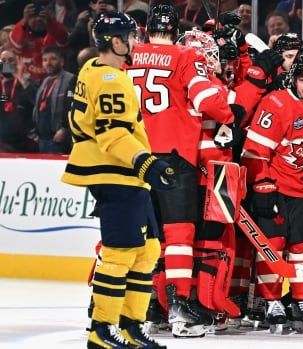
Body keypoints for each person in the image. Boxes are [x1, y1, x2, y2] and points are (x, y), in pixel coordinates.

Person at [127, 4, 242, 338]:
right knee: (178, 236)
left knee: (148, 237)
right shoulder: (183, 57)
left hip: (135, 156)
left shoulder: (131, 57)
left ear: (147, 29)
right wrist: (230, 112)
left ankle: (148, 306)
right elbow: (208, 101)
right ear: (176, 31)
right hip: (174, 157)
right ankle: (179, 309)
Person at [61, 11, 173, 349]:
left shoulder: (91, 69)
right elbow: (112, 135)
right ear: (116, 41)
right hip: (116, 172)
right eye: (131, 36)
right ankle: (102, 328)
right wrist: (146, 163)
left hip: (123, 174)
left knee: (148, 249)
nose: (136, 42)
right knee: (121, 252)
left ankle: (130, 326)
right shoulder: (111, 79)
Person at [241, 51, 303, 333]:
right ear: (293, 81)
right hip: (276, 187)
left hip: (301, 190)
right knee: (273, 245)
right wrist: (263, 186)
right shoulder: (277, 103)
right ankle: (272, 301)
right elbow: (254, 149)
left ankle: (302, 300)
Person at [9, 2, 69, 82]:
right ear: (27, 20)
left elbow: (63, 38)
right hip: (26, 84)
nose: (38, 19)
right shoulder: (21, 32)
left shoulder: (54, 32)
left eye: (41, 16)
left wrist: (50, 22)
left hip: (53, 81)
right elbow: (16, 46)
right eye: (33, 17)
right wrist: (23, 22)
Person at [32, 45, 74, 154]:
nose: (48, 63)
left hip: (60, 139)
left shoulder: (71, 80)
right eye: (45, 60)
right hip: (42, 139)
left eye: (53, 59)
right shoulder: (45, 81)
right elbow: (37, 108)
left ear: (62, 61)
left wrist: (65, 130)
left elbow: (73, 108)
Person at [0, 49, 37, 153]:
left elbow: (35, 101)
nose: (6, 63)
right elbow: (4, 101)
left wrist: (21, 78)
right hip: (4, 142)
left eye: (10, 60)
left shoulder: (27, 83)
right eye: (3, 60)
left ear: (18, 62)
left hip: (26, 142)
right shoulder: (1, 86)